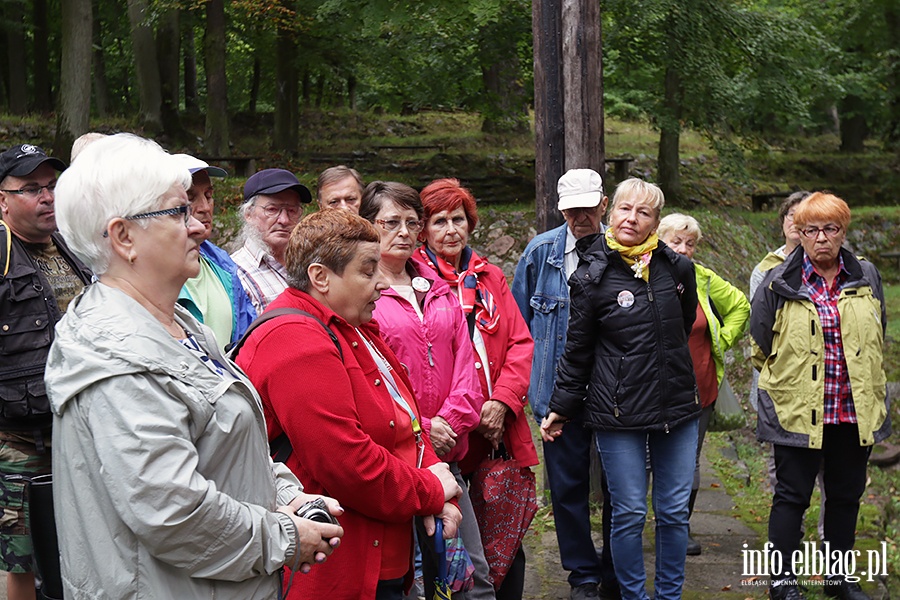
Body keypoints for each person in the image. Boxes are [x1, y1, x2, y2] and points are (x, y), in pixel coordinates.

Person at [44, 133, 343, 599]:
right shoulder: (118, 354)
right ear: (124, 237)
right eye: (178, 211)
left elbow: (222, 446)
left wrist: (287, 495)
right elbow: (172, 511)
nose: (199, 225)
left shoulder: (175, 321)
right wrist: (283, 537)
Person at [235, 208, 463, 600]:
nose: (381, 284)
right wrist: (430, 490)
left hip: (375, 558)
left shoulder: (352, 326)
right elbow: (348, 464)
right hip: (335, 572)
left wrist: (434, 482)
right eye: (367, 270)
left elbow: (404, 418)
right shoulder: (295, 341)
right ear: (320, 277)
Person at [541, 178, 700, 600]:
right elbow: (578, 349)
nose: (632, 218)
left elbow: (681, 327)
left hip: (677, 407)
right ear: (611, 212)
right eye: (625, 209)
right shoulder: (592, 273)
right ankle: (633, 596)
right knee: (629, 512)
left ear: (656, 221)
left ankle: (669, 595)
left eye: (643, 212)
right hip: (618, 412)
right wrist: (562, 405)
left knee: (672, 513)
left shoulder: (677, 267)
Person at [750, 192, 889, 600]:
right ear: (800, 233)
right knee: (791, 498)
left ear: (843, 231)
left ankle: (838, 579)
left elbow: (877, 333)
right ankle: (782, 582)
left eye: (830, 229)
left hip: (851, 410)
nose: (821, 238)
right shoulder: (780, 282)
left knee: (846, 497)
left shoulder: (865, 275)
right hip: (797, 410)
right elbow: (760, 344)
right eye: (811, 230)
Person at [359, 181, 492, 600]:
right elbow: (369, 378)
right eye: (390, 222)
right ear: (368, 225)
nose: (403, 232)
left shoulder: (436, 285)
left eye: (411, 223)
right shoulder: (363, 293)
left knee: (473, 577)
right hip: (398, 459)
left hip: (445, 456)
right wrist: (423, 427)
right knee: (416, 581)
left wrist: (448, 424)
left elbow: (467, 363)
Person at [418, 178, 539, 600]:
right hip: (445, 428)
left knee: (504, 527)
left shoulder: (490, 277)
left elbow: (521, 343)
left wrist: (503, 400)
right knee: (447, 532)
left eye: (458, 219)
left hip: (493, 429)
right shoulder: (414, 278)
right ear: (424, 229)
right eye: (439, 221)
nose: (451, 230)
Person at [512, 168, 619, 600]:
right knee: (567, 488)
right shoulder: (541, 253)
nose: (580, 217)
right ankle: (582, 576)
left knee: (620, 489)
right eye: (571, 209)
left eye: (588, 207)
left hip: (616, 394)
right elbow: (519, 327)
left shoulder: (625, 253)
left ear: (604, 204)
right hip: (558, 397)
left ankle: (616, 568)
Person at [0, 143, 92, 600]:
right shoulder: (1, 251)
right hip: (19, 442)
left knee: (77, 553)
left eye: (52, 186)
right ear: (3, 200)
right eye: (31, 188)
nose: (47, 196)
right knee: (20, 561)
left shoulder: (73, 247)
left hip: (79, 430)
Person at [657, 213, 750, 556]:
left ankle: (679, 526)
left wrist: (720, 339)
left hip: (699, 387)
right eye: (675, 241)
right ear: (658, 239)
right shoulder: (642, 275)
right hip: (650, 388)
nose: (683, 249)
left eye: (690, 243)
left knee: (688, 462)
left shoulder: (704, 279)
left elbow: (741, 306)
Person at [174, 154, 257, 350]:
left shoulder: (223, 265)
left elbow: (247, 337)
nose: (204, 208)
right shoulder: (149, 272)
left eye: (209, 196)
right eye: (191, 197)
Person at [232, 168, 312, 313]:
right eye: (272, 209)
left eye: (292, 211)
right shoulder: (235, 274)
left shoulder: (311, 264)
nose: (284, 220)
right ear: (248, 214)